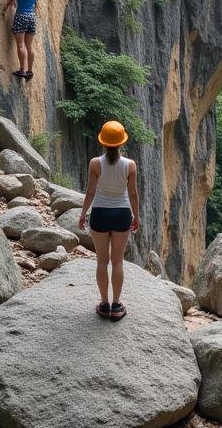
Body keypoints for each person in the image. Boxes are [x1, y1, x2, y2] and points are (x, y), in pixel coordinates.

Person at [78, 121, 140, 320]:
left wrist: (82, 214)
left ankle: (104, 305)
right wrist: (136, 216)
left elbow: (90, 192)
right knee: (118, 261)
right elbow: (133, 194)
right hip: (122, 213)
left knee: (102, 261)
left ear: (103, 142)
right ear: (121, 142)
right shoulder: (130, 165)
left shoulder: (95, 163)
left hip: (100, 213)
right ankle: (116, 305)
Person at [1, 0, 39, 80]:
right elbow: (35, 2)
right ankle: (30, 72)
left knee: (21, 45)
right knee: (29, 46)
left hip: (21, 15)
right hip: (32, 16)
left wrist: (4, 9)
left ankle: (22, 70)